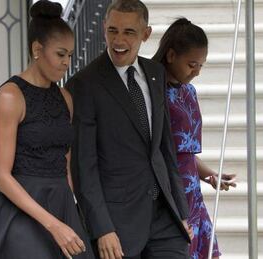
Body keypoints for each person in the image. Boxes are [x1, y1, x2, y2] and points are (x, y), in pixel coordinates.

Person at [66, 1, 193, 259]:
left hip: (164, 220)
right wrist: (102, 228)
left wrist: (181, 212)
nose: (118, 40)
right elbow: (84, 167)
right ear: (103, 28)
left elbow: (165, 150)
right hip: (118, 225)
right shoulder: (84, 85)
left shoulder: (156, 73)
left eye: (128, 32)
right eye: (112, 30)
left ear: (146, 34)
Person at [0, 1, 94, 258]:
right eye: (61, 54)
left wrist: (70, 213)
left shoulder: (65, 98)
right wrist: (53, 224)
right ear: (37, 49)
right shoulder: (9, 97)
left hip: (62, 206)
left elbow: (65, 164)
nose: (67, 63)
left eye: (70, 55)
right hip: (20, 213)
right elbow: (0, 176)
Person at [152, 18, 237, 258]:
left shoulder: (188, 91)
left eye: (201, 65)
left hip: (191, 194)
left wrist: (210, 175)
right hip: (166, 194)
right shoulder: (151, 91)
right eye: (191, 64)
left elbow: (185, 153)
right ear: (170, 55)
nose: (197, 72)